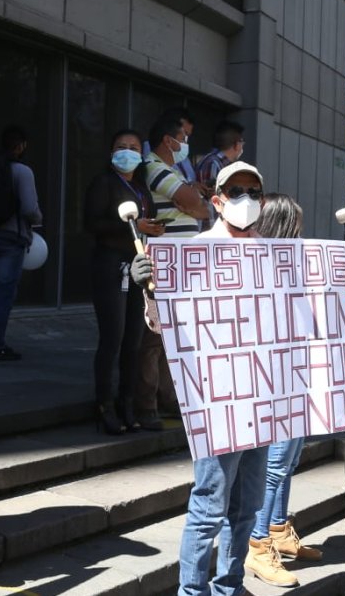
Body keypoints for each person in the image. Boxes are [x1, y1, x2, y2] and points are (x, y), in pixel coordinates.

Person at [130, 161, 269, 596]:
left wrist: (338, 286)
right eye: (236, 191)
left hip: (266, 396)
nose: (245, 199)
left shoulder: (276, 255)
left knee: (247, 507)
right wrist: (149, 291)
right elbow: (162, 327)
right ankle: (192, 592)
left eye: (253, 192)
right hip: (218, 399)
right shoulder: (192, 252)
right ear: (218, 201)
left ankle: (230, 586)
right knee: (210, 505)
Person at [243, 193, 321, 588]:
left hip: (297, 372)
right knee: (273, 467)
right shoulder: (260, 269)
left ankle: (278, 529)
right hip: (272, 381)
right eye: (296, 228)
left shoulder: (294, 269)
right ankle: (258, 546)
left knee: (287, 462)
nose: (301, 235)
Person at [82, 130, 164, 434]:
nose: (127, 152)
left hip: (138, 267)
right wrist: (131, 225)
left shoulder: (140, 188)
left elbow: (146, 221)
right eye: (121, 147)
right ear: (111, 152)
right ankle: (104, 405)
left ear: (140, 155)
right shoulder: (103, 183)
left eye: (133, 147)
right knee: (112, 338)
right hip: (109, 266)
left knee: (134, 340)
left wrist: (152, 229)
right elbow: (92, 223)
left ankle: (126, 403)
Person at [134, 113, 209, 429]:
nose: (185, 144)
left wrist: (194, 203)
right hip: (164, 264)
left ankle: (167, 399)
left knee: (171, 337)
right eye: (183, 137)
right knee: (154, 337)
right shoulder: (155, 167)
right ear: (169, 140)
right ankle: (147, 404)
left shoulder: (171, 170)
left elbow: (201, 208)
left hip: (178, 265)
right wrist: (192, 201)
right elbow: (196, 202)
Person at [0, 126, 43, 361]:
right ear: (21, 146)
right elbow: (29, 209)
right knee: (4, 293)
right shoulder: (22, 171)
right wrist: (39, 219)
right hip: (11, 238)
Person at [195, 120, 245, 229]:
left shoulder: (218, 163)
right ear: (236, 144)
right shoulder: (213, 163)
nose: (242, 147)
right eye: (242, 142)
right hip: (209, 228)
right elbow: (211, 200)